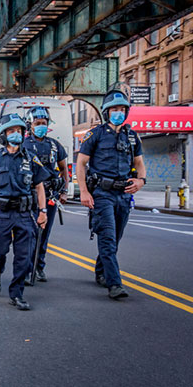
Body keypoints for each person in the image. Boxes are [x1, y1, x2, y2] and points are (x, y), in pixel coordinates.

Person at [76, 89, 146, 299]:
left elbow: (139, 164)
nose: (119, 112)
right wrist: (84, 192)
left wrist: (141, 181)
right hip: (102, 194)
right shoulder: (95, 134)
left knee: (115, 238)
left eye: (122, 109)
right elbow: (81, 163)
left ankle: (101, 271)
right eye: (115, 109)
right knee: (107, 238)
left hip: (124, 194)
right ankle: (115, 284)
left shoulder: (132, 136)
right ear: (107, 112)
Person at [0, 113, 49, 311]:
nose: (16, 134)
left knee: (24, 257)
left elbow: (40, 187)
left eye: (18, 131)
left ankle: (16, 294)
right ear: (3, 135)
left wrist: (42, 211)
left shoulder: (31, 159)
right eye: (11, 131)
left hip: (25, 214)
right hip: (2, 214)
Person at [22, 106, 69, 283]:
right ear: (30, 125)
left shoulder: (54, 145)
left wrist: (63, 190)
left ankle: (39, 266)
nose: (41, 126)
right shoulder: (23, 145)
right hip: (29, 196)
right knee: (29, 234)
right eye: (37, 123)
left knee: (44, 233)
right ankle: (26, 269)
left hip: (49, 196)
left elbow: (64, 168)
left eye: (44, 123)